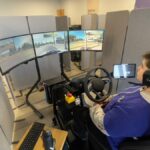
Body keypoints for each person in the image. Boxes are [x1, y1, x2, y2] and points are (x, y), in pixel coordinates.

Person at [72, 52, 150, 150]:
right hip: (114, 118)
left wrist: (94, 105)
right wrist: (105, 100)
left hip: (108, 138)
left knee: (79, 111)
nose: (138, 68)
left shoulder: (137, 111)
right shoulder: (144, 88)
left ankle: (81, 135)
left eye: (142, 66)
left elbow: (103, 125)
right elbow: (122, 96)